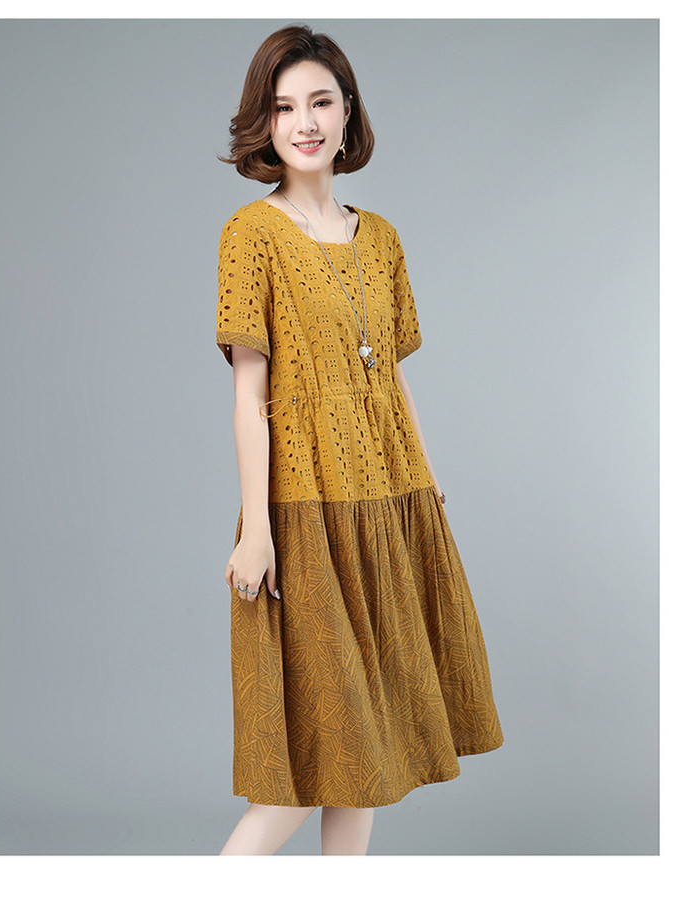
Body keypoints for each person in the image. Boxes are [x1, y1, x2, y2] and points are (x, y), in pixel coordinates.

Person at [215, 24, 504, 856]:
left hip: (390, 500)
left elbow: (390, 375)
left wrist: (427, 480)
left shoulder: (381, 238)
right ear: (265, 123)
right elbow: (249, 396)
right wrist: (257, 527)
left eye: (320, 102)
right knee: (321, 753)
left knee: (368, 754)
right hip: (305, 511)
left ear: (348, 112)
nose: (304, 122)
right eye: (284, 108)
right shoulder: (250, 233)